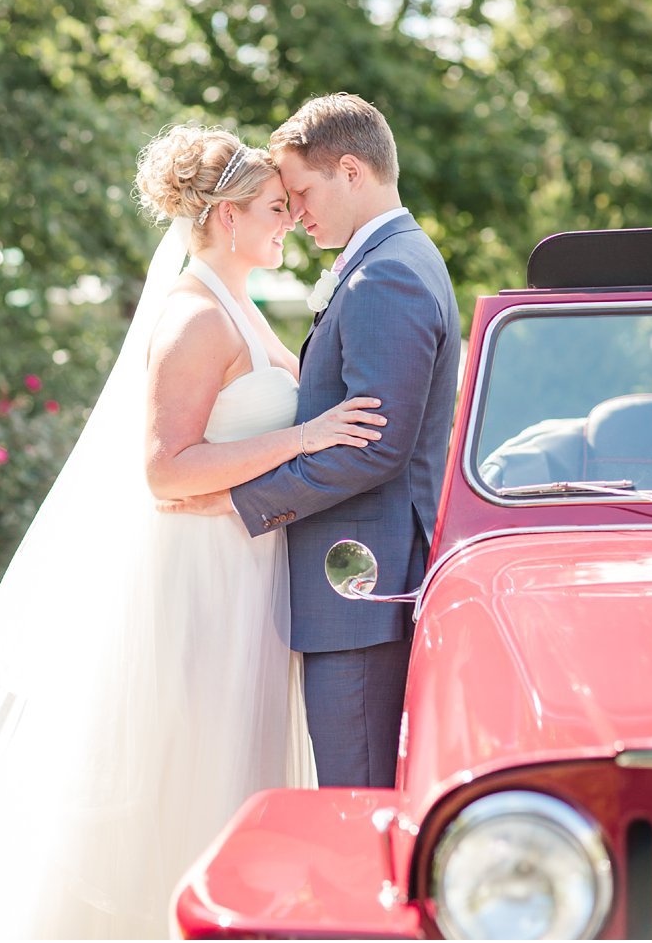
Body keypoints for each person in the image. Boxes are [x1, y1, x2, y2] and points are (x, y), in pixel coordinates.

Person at [0, 126, 387, 938]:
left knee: (234, 767)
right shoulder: (193, 318)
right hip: (198, 581)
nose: (288, 220)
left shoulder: (241, 307)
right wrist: (302, 437)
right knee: (191, 772)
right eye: (274, 208)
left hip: (246, 573)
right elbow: (165, 470)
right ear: (225, 219)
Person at [165, 93, 460, 789]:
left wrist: (244, 499)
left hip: (359, 586)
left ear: (351, 172)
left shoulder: (385, 273)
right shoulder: (391, 259)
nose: (296, 212)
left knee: (355, 795)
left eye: (300, 191)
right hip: (356, 585)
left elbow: (373, 446)